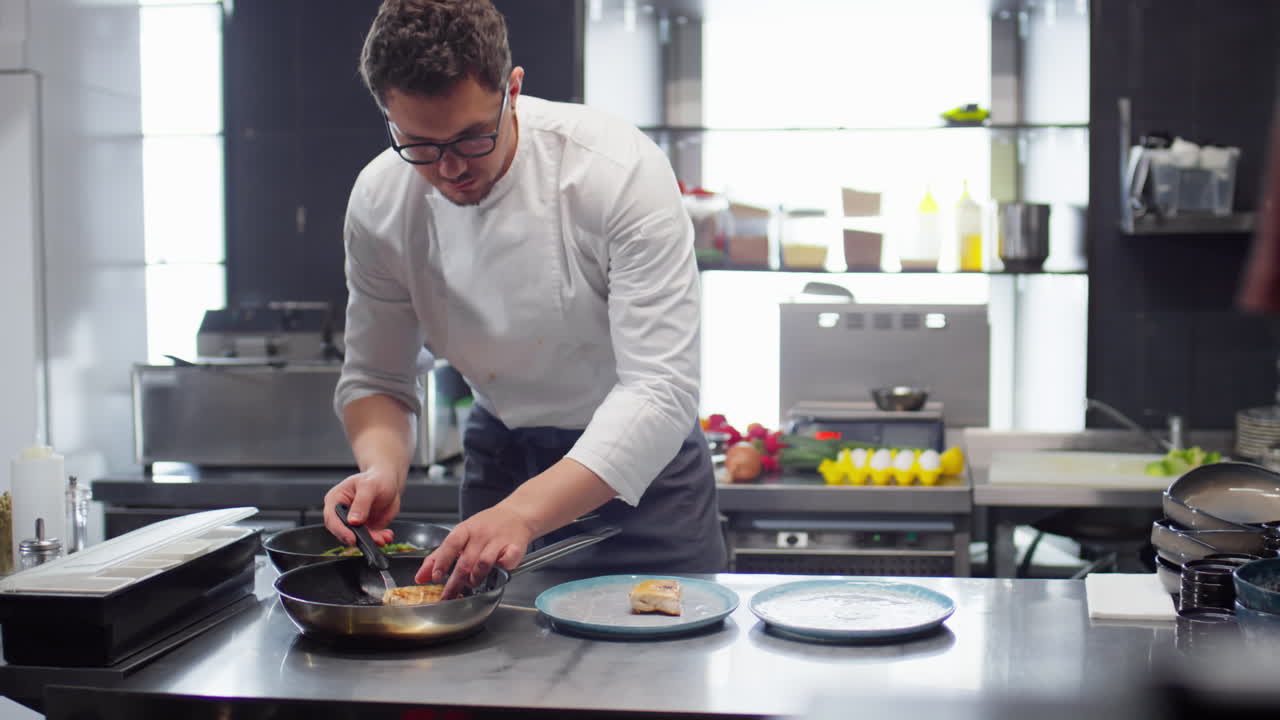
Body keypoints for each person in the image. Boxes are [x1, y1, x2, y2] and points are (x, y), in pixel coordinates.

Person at [322, 0, 727, 599]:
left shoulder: (615, 170)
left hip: (643, 470)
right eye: (419, 144)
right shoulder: (381, 199)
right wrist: (382, 468)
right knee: (493, 654)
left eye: (471, 137)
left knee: (665, 652)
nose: (450, 167)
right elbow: (377, 377)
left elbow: (660, 389)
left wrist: (526, 512)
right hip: (502, 460)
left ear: (512, 90)